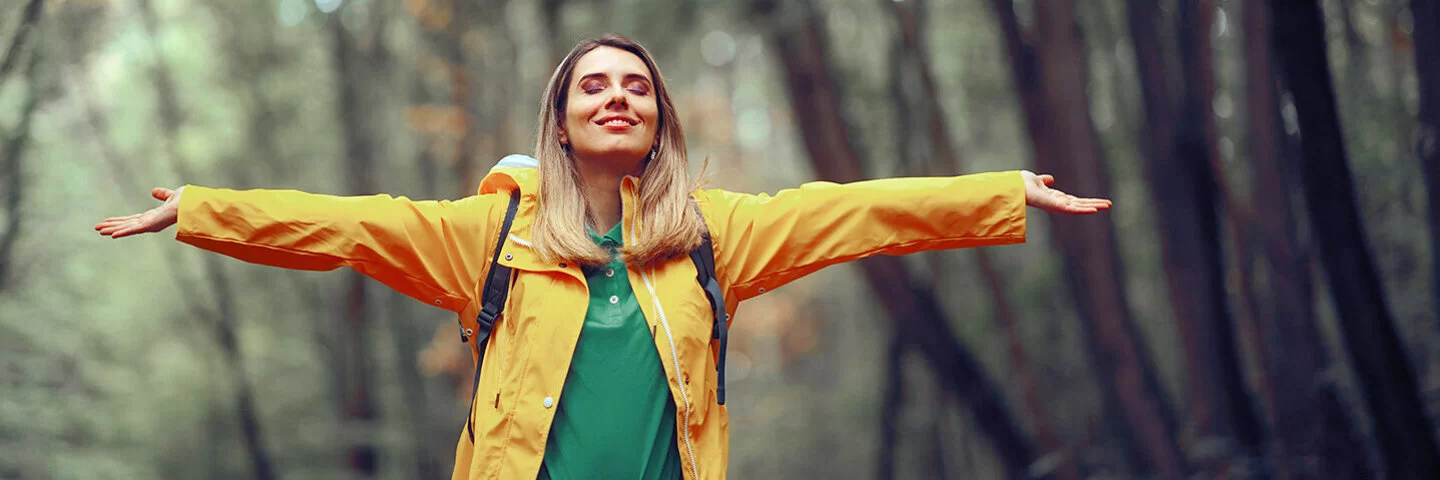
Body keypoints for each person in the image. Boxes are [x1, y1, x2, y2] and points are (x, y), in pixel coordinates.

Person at [94, 34, 1110, 480]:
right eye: (594, 88)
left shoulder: (716, 237)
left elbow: (858, 213)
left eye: (636, 85)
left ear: (660, 118)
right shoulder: (486, 241)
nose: (617, 95)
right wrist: (202, 211)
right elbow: (346, 226)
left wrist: (996, 193)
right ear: (563, 125)